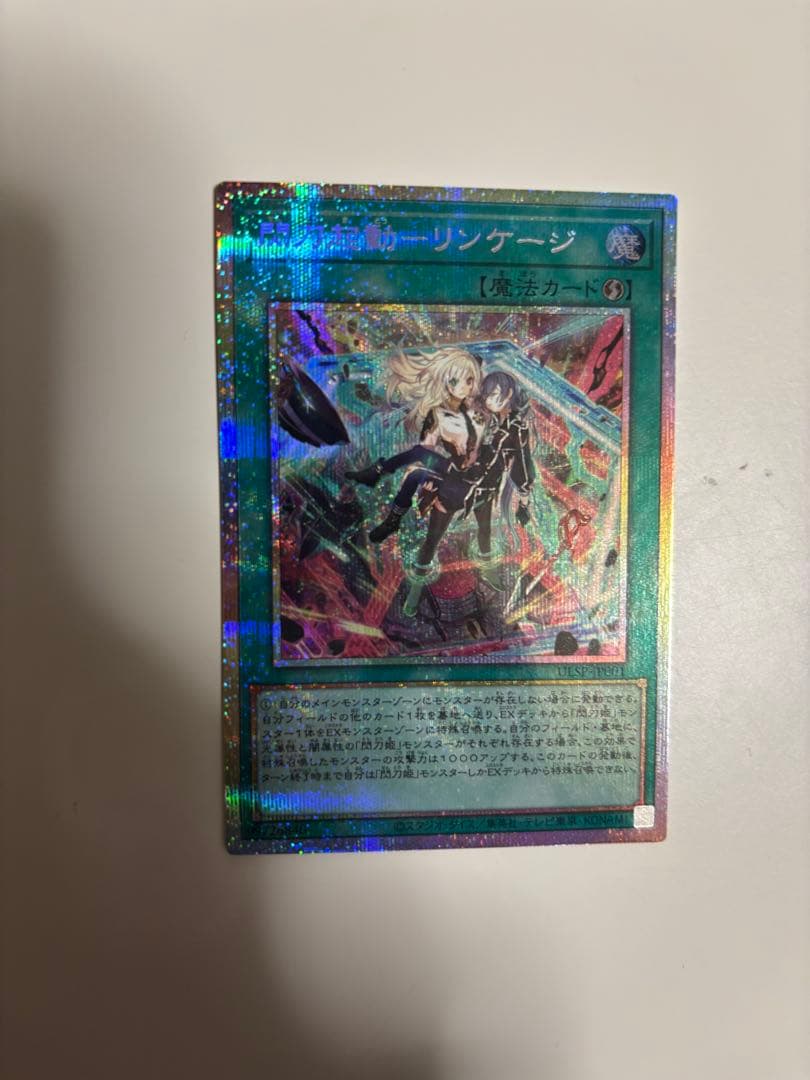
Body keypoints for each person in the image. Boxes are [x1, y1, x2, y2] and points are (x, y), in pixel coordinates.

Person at [345, 345, 486, 541]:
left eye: (469, 380)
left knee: (419, 457)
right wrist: (415, 467)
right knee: (415, 471)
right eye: (456, 381)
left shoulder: (476, 416)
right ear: (446, 382)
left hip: (467, 482)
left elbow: (474, 453)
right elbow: (427, 447)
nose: (464, 387)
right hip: (451, 473)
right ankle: (391, 520)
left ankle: (376, 472)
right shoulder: (438, 414)